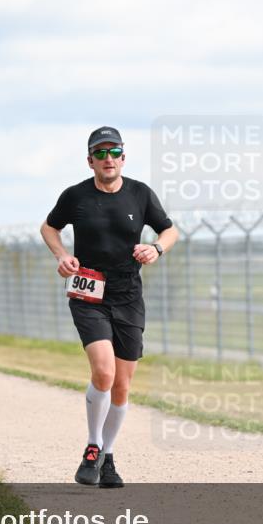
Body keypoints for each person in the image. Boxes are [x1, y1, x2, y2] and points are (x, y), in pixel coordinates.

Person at [40, 126, 179, 488]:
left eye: (113, 151)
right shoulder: (75, 196)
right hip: (89, 291)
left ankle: (107, 457)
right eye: (100, 153)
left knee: (122, 386)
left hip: (128, 293)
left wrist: (156, 249)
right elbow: (49, 228)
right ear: (90, 161)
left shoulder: (140, 194)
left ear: (123, 156)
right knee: (104, 373)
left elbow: (170, 230)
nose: (107, 159)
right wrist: (62, 255)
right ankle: (92, 446)